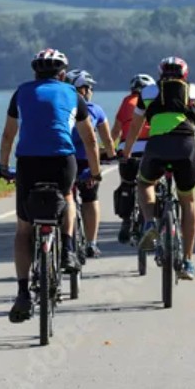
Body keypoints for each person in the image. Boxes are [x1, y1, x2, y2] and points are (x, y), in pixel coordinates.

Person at [0, 48, 102, 322]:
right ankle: (67, 249)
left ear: (35, 72)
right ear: (63, 74)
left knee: (23, 229)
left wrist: (2, 166)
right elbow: (90, 139)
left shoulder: (21, 92)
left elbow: (9, 134)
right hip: (62, 160)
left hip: (28, 162)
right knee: (67, 195)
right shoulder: (73, 95)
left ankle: (22, 292)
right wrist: (96, 170)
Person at [120, 56, 195, 280]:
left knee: (144, 182)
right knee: (188, 201)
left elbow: (135, 126)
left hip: (157, 147)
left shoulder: (148, 92)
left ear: (160, 73)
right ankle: (188, 261)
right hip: (185, 147)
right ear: (185, 74)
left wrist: (126, 154)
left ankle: (149, 223)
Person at [67, 70, 117, 258]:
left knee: (66, 199)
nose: (91, 91)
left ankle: (65, 242)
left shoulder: (61, 107)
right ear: (84, 89)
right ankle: (91, 242)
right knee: (90, 199)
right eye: (90, 87)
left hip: (63, 160)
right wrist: (111, 155)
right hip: (86, 162)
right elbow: (108, 141)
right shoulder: (95, 110)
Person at [112, 73, 155, 243]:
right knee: (152, 183)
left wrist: (109, 151)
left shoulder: (126, 102)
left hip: (127, 151)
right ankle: (155, 219)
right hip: (151, 149)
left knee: (127, 184)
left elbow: (116, 131)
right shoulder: (153, 102)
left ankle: (126, 221)